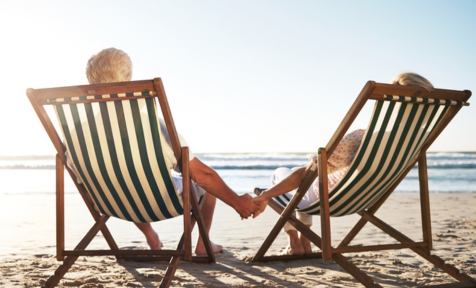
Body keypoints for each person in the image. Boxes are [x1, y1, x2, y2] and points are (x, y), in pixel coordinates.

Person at [82, 48, 258, 254]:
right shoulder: (153, 127)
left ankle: (150, 235)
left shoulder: (77, 134)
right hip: (159, 202)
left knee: (121, 184)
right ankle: (203, 243)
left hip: (112, 203)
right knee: (205, 186)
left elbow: (82, 181)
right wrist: (237, 202)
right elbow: (201, 176)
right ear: (128, 81)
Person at [252, 73, 434, 255]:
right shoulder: (418, 143)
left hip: (327, 199)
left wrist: (264, 196)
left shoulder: (363, 138)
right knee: (300, 183)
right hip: (363, 199)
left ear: (392, 105)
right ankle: (305, 242)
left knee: (281, 174)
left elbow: (306, 175)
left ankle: (294, 243)